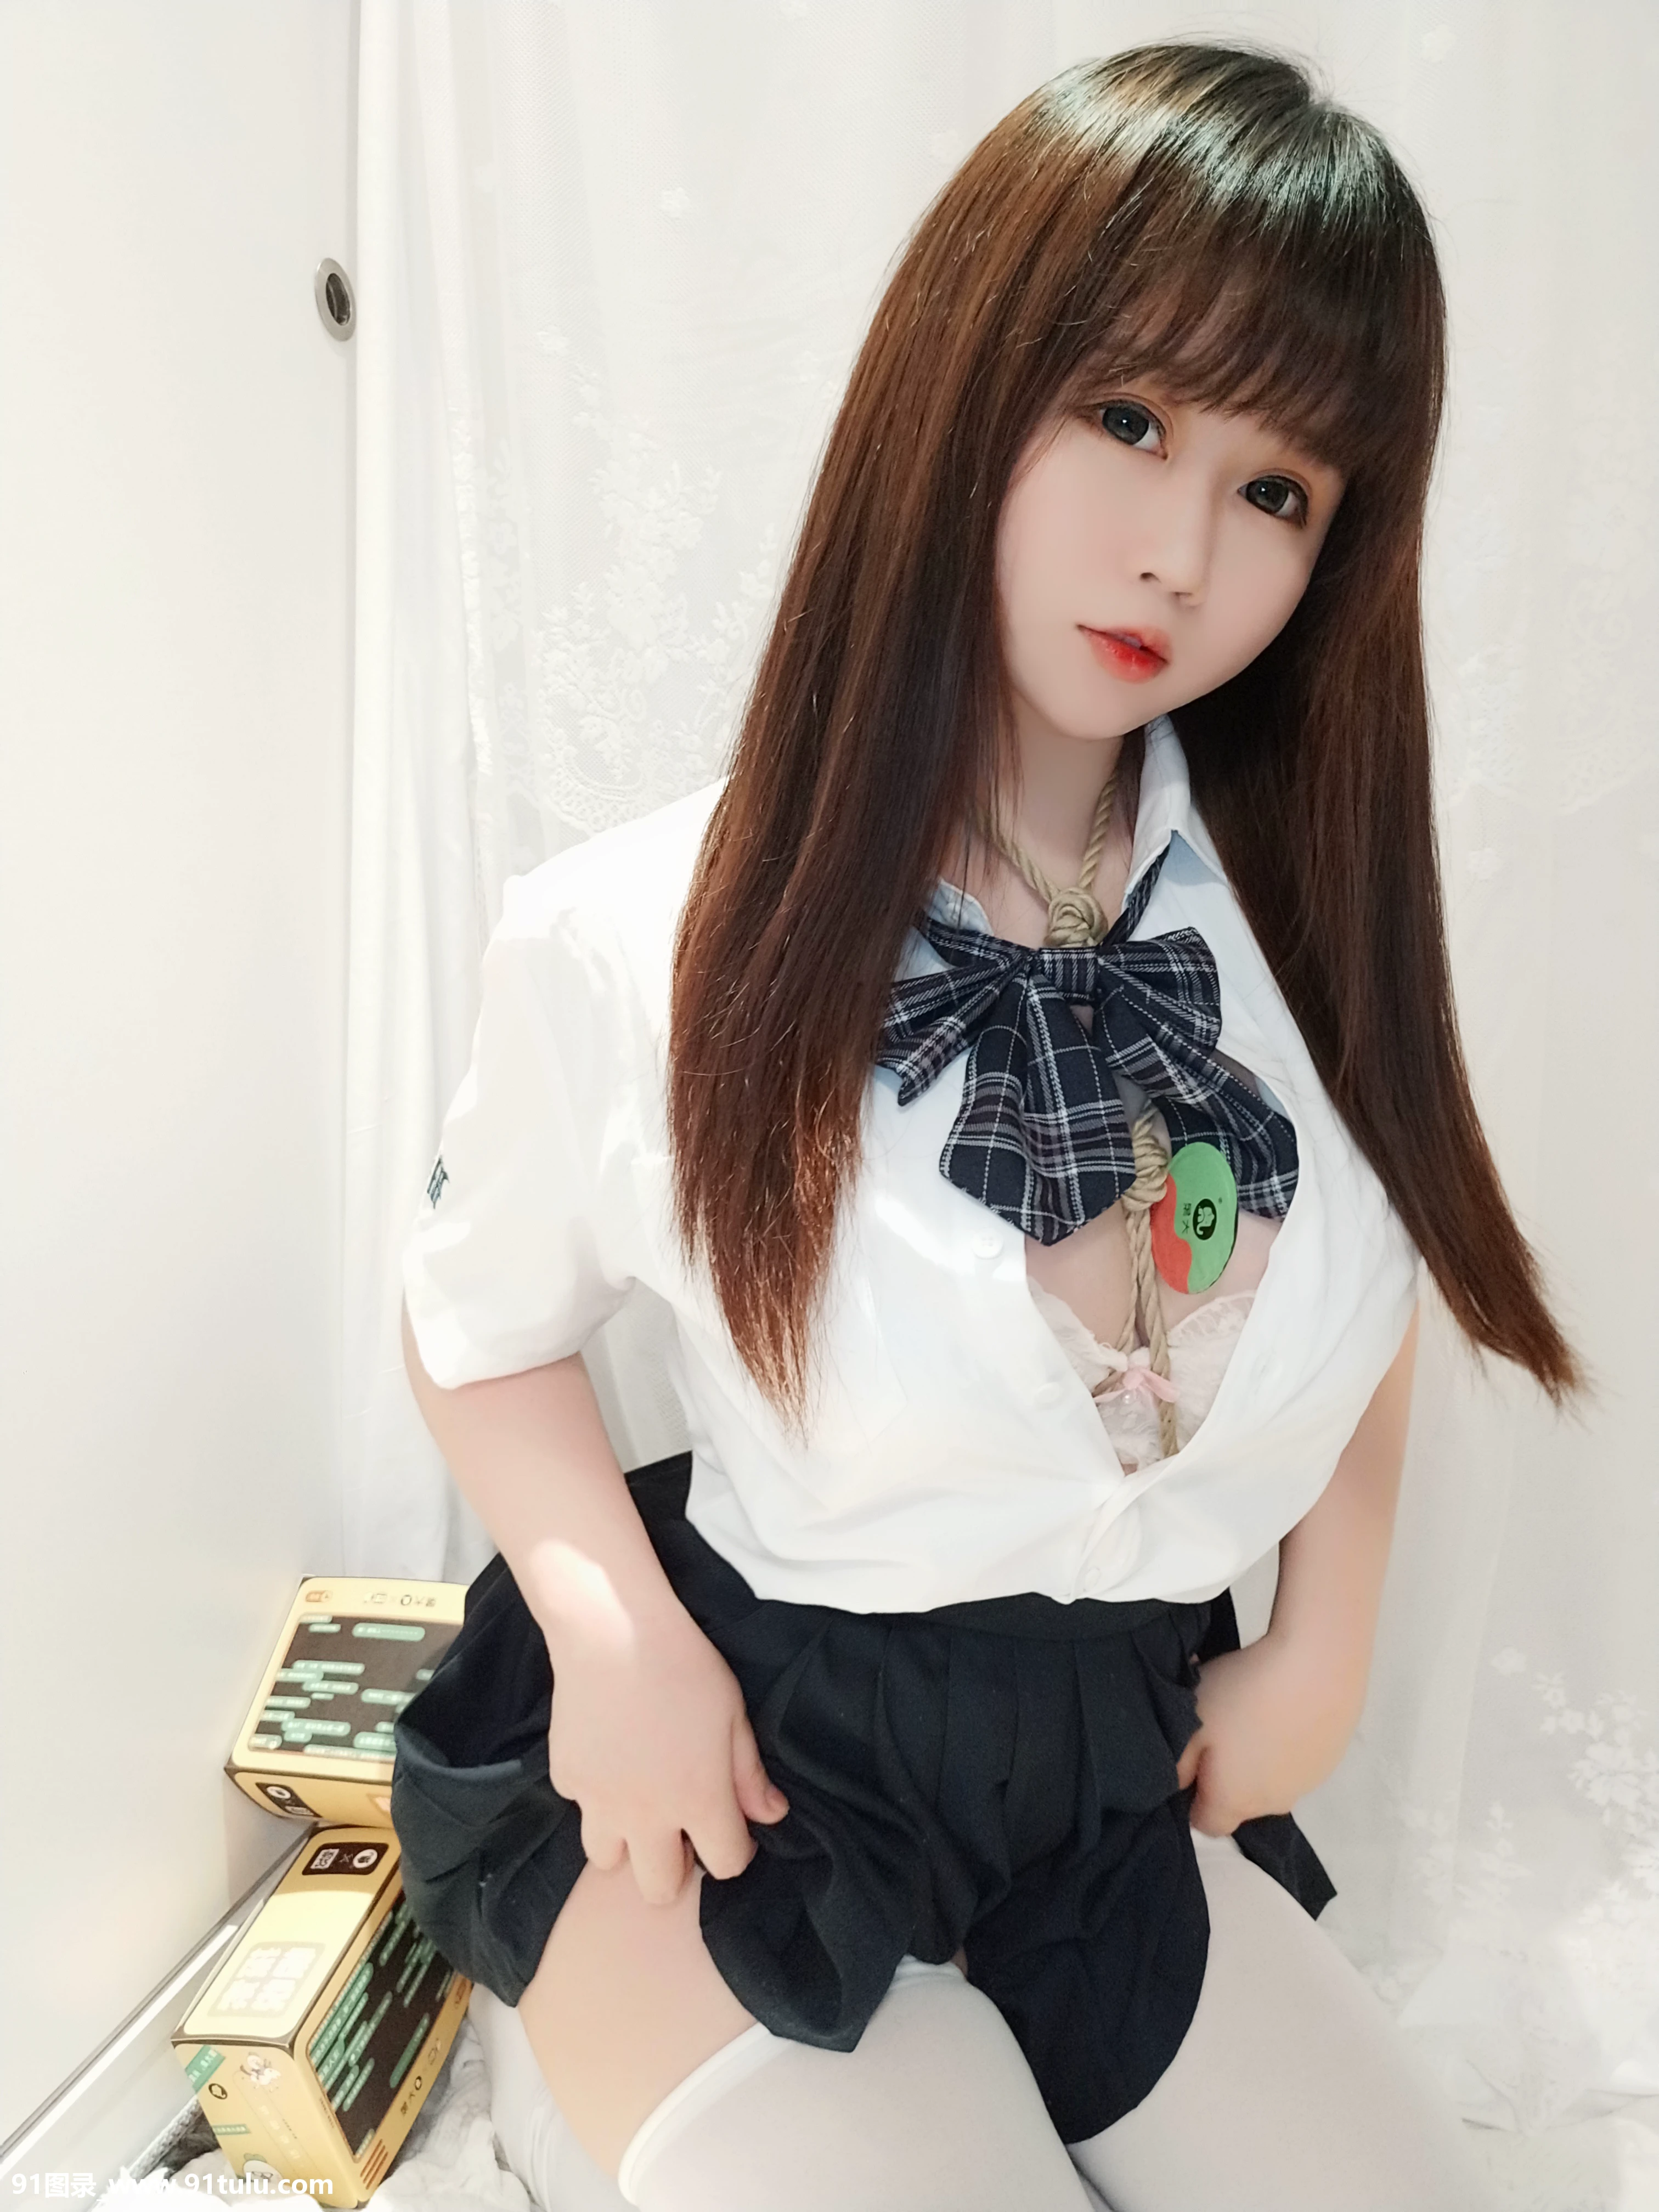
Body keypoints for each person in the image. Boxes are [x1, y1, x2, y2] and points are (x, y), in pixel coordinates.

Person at [390, 43, 1579, 2212]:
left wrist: (1326, 1633)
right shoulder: (635, 934)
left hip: (1112, 1779)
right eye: (1128, 417)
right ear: (969, 382)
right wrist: (613, 1636)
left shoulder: (1299, 941)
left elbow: (1367, 1278)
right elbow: (477, 1325)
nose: (1180, 552)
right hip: (749, 1774)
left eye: (1280, 491)